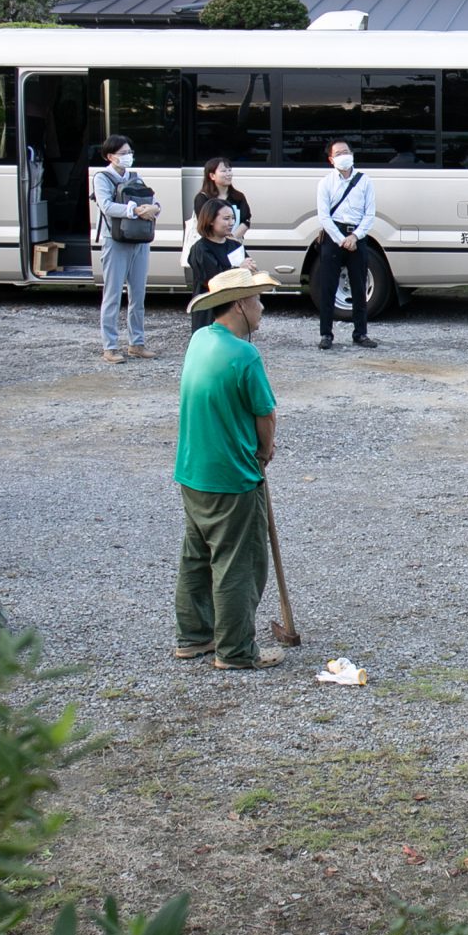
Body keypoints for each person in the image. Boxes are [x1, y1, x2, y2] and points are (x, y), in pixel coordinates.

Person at [174, 266, 284, 671]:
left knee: (197, 555)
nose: (262, 307)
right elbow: (266, 415)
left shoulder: (200, 340)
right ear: (239, 304)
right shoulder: (244, 354)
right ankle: (235, 650)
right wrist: (263, 453)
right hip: (231, 475)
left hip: (192, 469)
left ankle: (194, 637)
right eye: (257, 299)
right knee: (239, 562)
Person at [92, 135, 161, 364]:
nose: (127, 156)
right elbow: (107, 206)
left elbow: (153, 201)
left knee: (138, 295)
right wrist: (136, 211)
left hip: (139, 239)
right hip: (115, 239)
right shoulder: (102, 177)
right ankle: (110, 347)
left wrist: (152, 208)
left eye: (129, 152)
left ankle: (136, 343)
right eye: (122, 153)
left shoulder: (134, 177)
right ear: (110, 156)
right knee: (112, 295)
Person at [311, 138, 380, 351]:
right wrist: (342, 239)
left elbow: (370, 214)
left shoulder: (365, 181)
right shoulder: (325, 183)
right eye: (338, 153)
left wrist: (355, 237)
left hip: (357, 236)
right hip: (334, 237)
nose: (343, 156)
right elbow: (324, 217)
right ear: (331, 159)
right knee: (328, 286)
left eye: (346, 151)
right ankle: (326, 334)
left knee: (359, 286)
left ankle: (360, 333)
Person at [185, 196, 248, 332]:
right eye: (226, 219)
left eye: (232, 218)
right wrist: (239, 269)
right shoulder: (200, 249)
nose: (231, 222)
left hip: (235, 307)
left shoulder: (234, 245)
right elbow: (214, 279)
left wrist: (251, 268)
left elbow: (248, 266)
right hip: (210, 311)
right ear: (211, 220)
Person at [182, 156, 252, 277]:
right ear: (212, 175)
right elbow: (203, 220)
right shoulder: (202, 198)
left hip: (232, 244)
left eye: (230, 170)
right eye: (224, 171)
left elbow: (246, 220)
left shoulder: (238, 196)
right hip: (212, 243)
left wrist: (232, 237)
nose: (228, 174)